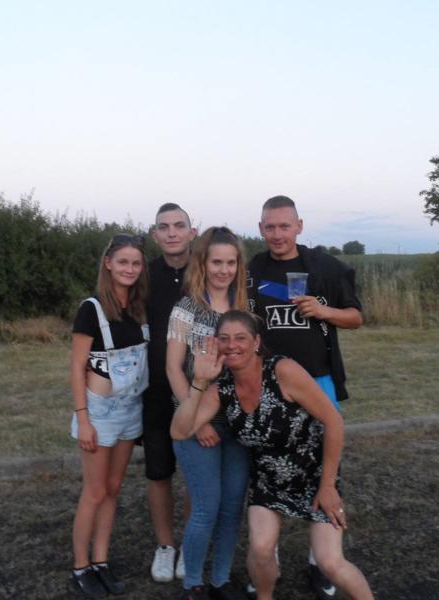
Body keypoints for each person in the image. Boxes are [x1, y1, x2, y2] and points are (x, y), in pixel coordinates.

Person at [171, 310, 374, 600]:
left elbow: (334, 421)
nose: (232, 345)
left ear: (256, 342)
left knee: (330, 562)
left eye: (240, 338)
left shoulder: (283, 371)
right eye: (224, 339)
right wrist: (200, 382)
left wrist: (328, 485)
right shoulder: (221, 388)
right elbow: (180, 431)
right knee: (261, 549)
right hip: (268, 481)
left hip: (314, 475)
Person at [247, 195, 363, 599]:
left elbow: (356, 317)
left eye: (285, 226)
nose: (278, 234)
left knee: (325, 464)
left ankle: (321, 561)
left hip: (318, 379)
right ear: (260, 229)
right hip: (267, 383)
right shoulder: (253, 269)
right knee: (266, 464)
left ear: (299, 225)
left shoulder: (323, 267)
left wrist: (324, 311)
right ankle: (267, 560)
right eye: (270, 227)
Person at [167, 227, 250, 600]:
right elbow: (173, 368)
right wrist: (197, 421)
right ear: (203, 263)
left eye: (231, 262)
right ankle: (193, 583)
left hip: (237, 422)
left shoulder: (243, 307)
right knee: (206, 508)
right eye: (217, 262)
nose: (224, 270)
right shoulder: (187, 309)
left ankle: (220, 579)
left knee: (232, 508)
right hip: (194, 418)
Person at [69, 234, 150, 599]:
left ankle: (101, 560)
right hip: (100, 411)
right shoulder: (91, 308)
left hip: (132, 408)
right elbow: (76, 367)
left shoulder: (139, 307)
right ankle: (81, 566)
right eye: (123, 262)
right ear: (108, 263)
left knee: (114, 488)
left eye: (136, 263)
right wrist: (83, 419)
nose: (129, 269)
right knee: (95, 490)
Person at [145, 203, 197, 582]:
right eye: (164, 227)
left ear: (192, 232)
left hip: (199, 389)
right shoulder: (144, 275)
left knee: (197, 473)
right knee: (159, 472)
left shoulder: (206, 270)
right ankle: (165, 547)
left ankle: (191, 546)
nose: (172, 232)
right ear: (155, 235)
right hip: (156, 389)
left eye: (179, 225)